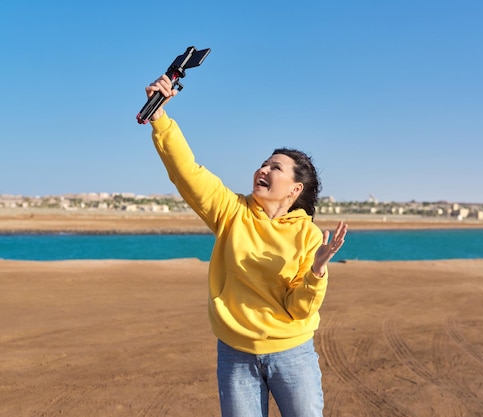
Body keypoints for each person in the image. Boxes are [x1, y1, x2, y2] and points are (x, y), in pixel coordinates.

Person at [144, 74, 348, 417]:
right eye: (264, 163)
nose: (263, 169)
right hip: (235, 353)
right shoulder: (231, 211)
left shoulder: (308, 236)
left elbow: (300, 309)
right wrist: (160, 119)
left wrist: (317, 270)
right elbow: (187, 173)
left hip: (292, 353)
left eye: (276, 167)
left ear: (295, 189)